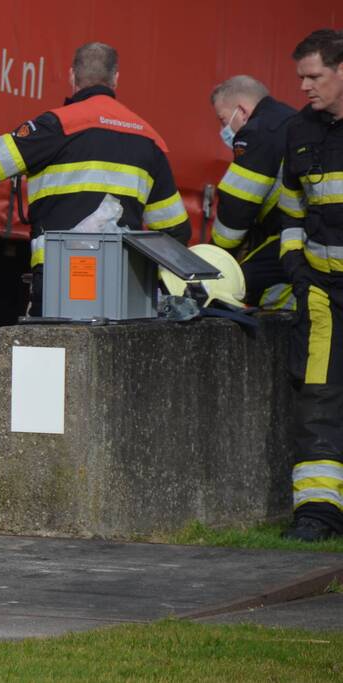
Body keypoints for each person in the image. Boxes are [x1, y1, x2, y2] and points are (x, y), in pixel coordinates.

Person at [0, 42, 191, 314]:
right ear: (115, 79)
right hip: (123, 286)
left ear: (72, 76)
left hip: (59, 276)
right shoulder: (149, 140)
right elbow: (175, 230)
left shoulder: (57, 125)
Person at [278, 29, 343, 541]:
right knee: (317, 397)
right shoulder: (300, 129)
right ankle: (317, 514)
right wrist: (295, 263)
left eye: (314, 76)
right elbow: (289, 205)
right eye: (301, 76)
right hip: (321, 291)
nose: (303, 86)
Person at [209, 75, 297, 311]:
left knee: (231, 286)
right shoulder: (290, 120)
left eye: (223, 120)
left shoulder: (257, 131)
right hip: (305, 236)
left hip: (287, 237)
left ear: (242, 111)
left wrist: (215, 256)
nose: (224, 129)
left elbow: (238, 205)